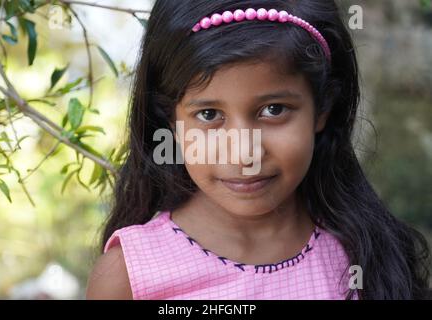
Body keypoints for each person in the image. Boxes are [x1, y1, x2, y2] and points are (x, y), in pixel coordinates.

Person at [86, 0, 431, 300]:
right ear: (171, 121)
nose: (243, 153)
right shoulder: (129, 277)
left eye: (274, 110)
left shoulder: (366, 256)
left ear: (322, 108)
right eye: (209, 115)